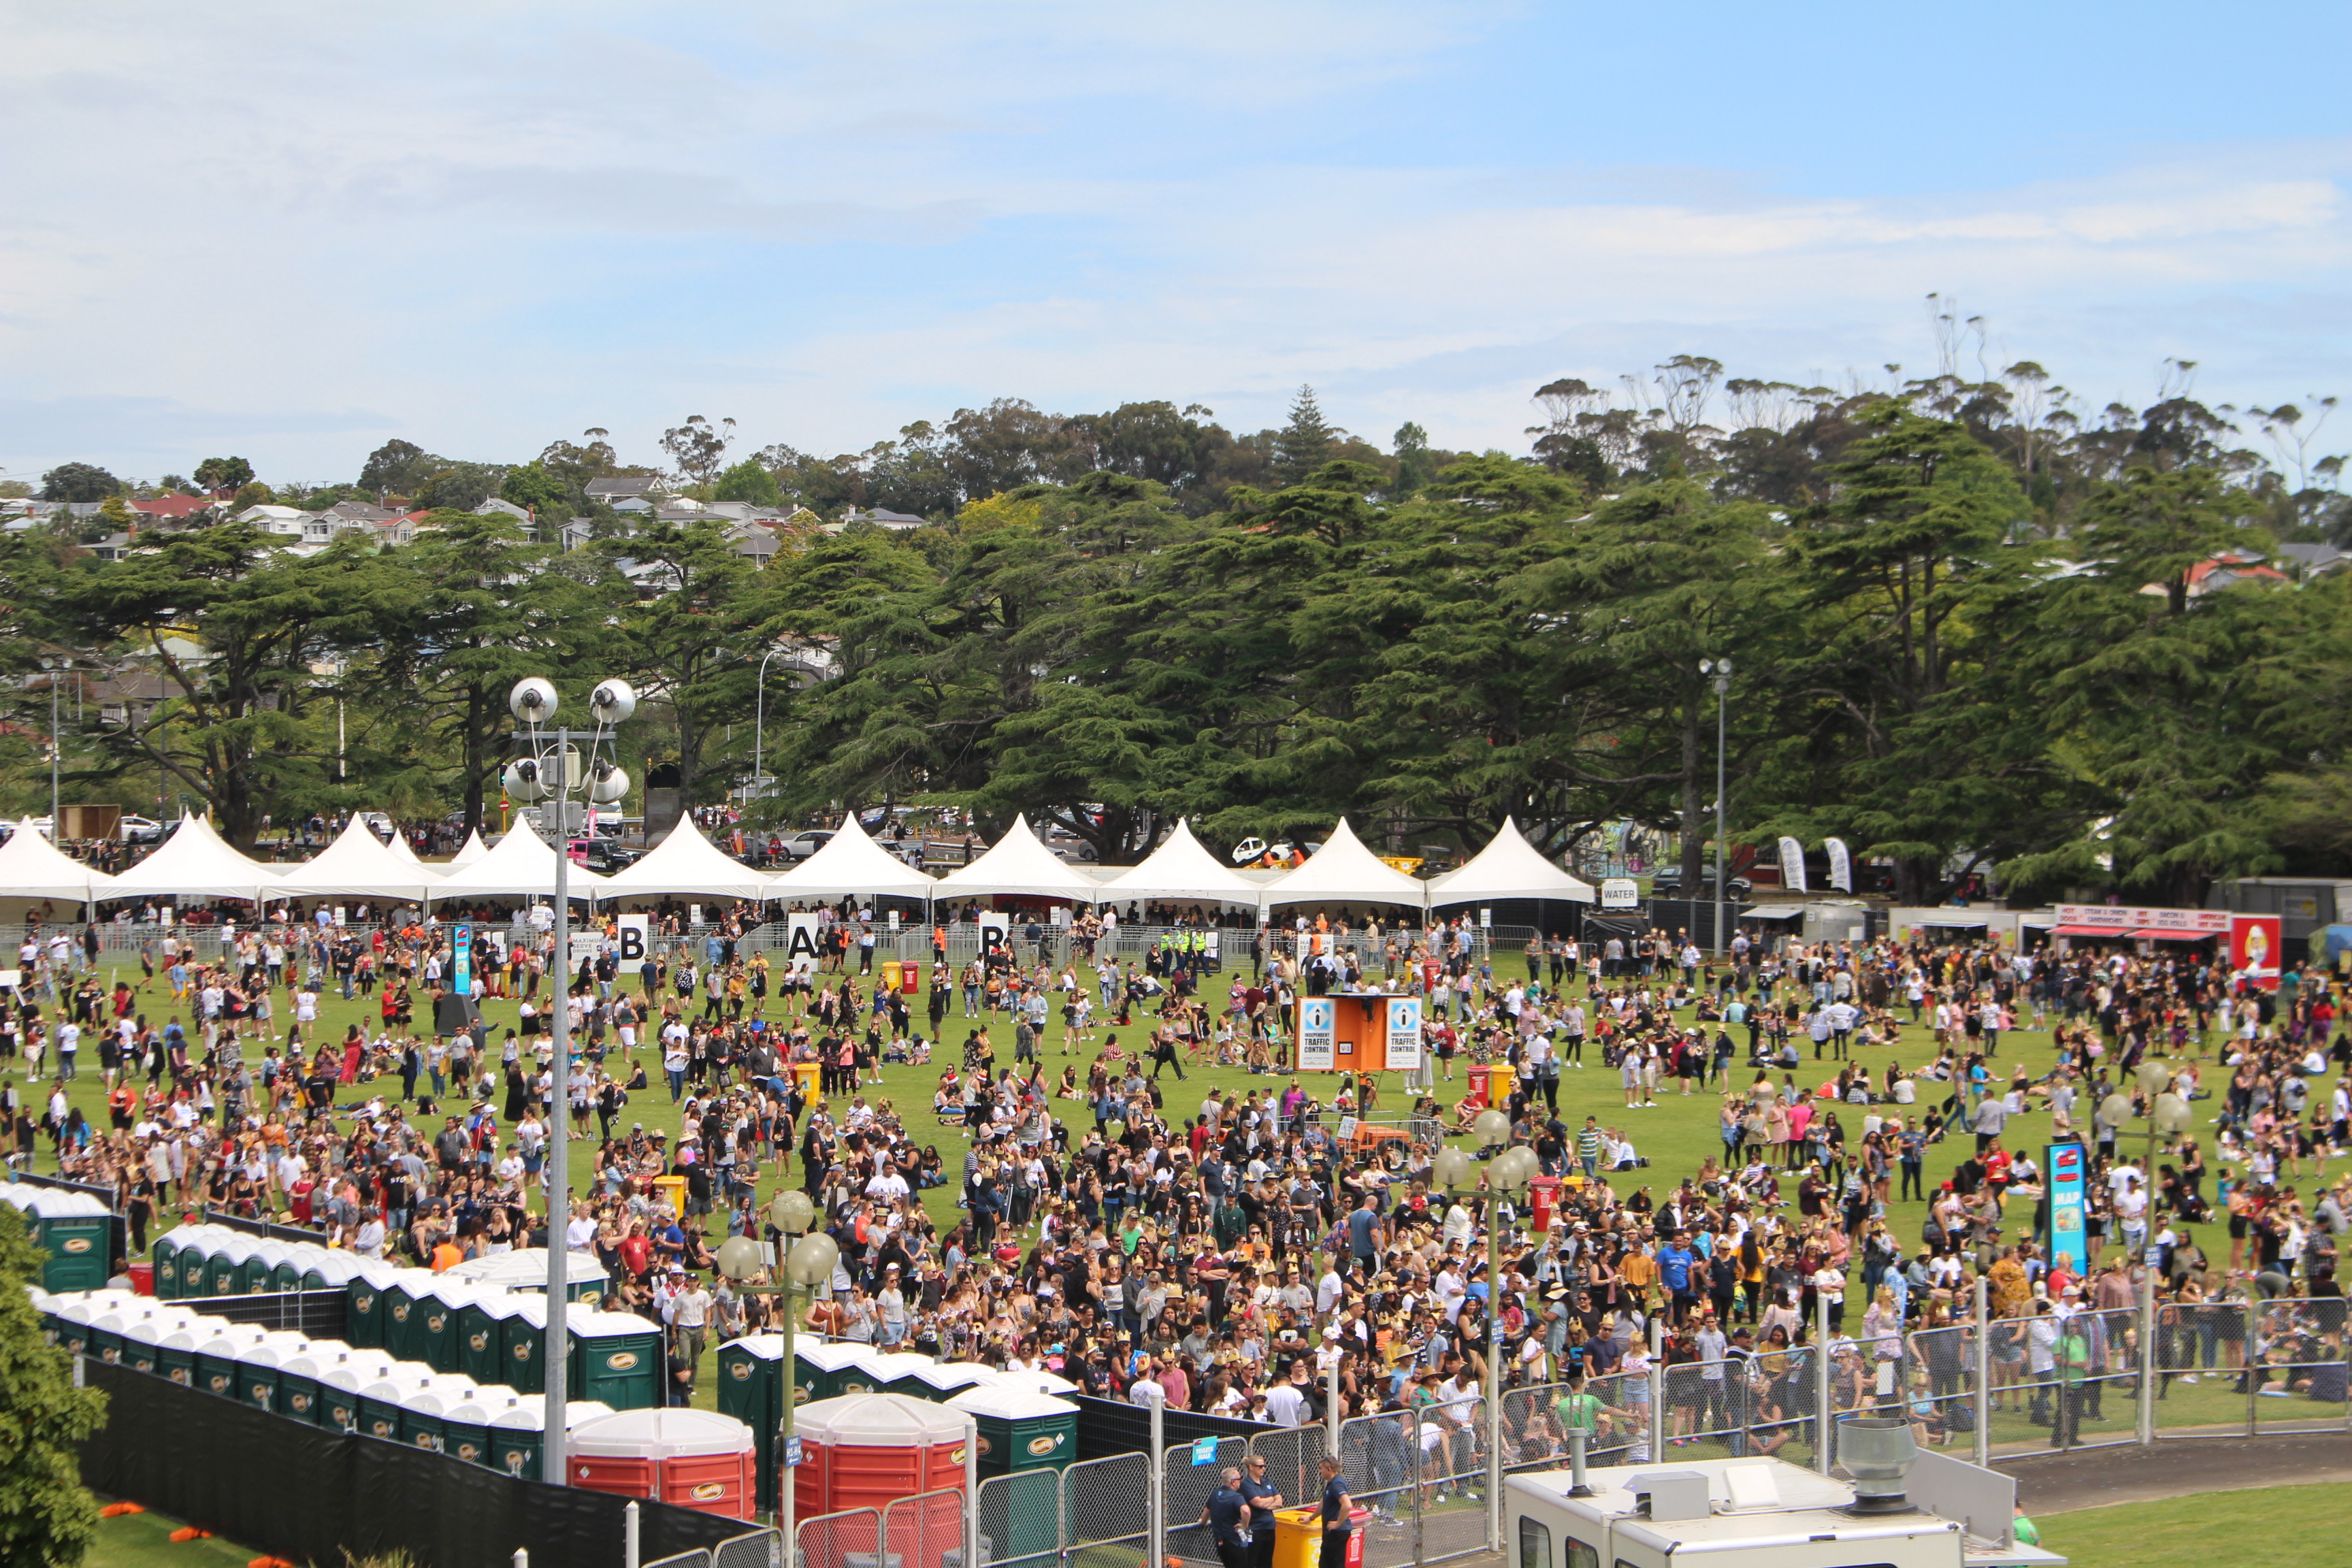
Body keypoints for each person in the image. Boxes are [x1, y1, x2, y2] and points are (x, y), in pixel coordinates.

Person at [1239, 1453, 1285, 1568]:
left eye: (1264, 1466)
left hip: (1269, 1529)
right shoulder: (1247, 1485)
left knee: (1267, 1563)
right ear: (1251, 1467)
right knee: (1251, 1562)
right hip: (1256, 1529)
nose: (1263, 1468)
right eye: (1260, 1466)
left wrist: (1266, 1504)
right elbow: (1258, 1503)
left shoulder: (1267, 1482)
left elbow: (1280, 1501)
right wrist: (1271, 1498)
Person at [1203, 1466, 1252, 1568]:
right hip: (1234, 1541)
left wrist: (1203, 1521)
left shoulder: (1215, 1493)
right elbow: (1246, 1511)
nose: (1240, 1482)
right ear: (1233, 1482)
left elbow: (1207, 1510)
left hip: (1220, 1540)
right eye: (1239, 1479)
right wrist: (1244, 1526)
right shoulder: (1236, 1497)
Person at [1317, 1455, 1354, 1568]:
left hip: (1337, 1533)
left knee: (1334, 1564)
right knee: (1325, 1563)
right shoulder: (1331, 1483)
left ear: (1329, 1469)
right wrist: (1311, 1518)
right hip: (1331, 1532)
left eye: (1321, 1468)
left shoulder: (1337, 1484)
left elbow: (1347, 1505)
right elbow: (1323, 1503)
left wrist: (1337, 1524)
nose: (1320, 1471)